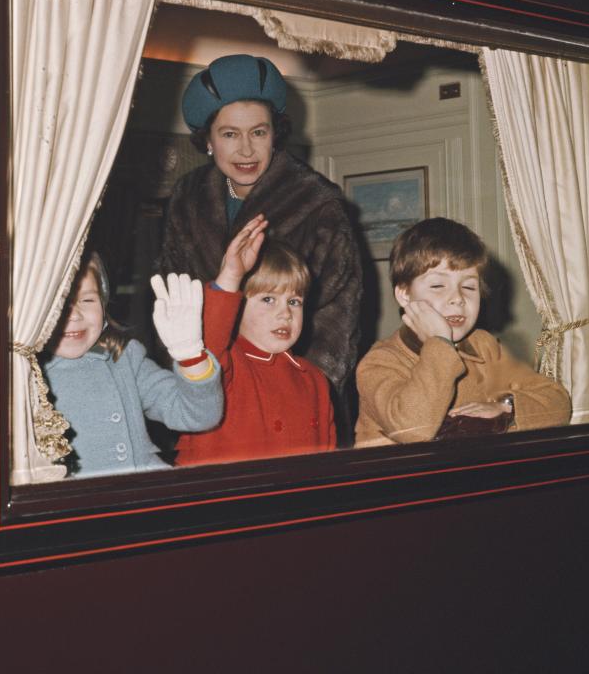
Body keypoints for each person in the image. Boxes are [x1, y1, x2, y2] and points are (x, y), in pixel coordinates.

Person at [160, 53, 361, 441]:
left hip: (288, 400)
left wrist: (292, 393)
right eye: (230, 134)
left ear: (276, 134)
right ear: (207, 140)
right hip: (205, 389)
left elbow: (337, 325)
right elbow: (173, 302)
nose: (247, 151)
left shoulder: (318, 204)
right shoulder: (186, 200)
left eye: (259, 132)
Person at [354, 217, 571, 446]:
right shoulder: (380, 362)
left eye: (469, 286)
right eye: (438, 286)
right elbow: (413, 431)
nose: (458, 298)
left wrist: (507, 407)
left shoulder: (484, 346)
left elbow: (557, 401)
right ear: (404, 295)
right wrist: (439, 342)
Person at [42, 253, 223, 477]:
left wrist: (190, 356)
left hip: (147, 495)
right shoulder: (26, 376)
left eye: (87, 300)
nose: (75, 315)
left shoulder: (124, 357)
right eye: (57, 304)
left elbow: (198, 416)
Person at [176, 214, 336, 466]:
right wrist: (230, 276)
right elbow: (205, 345)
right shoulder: (227, 364)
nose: (285, 313)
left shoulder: (313, 379)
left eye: (294, 302)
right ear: (236, 307)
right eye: (268, 299)